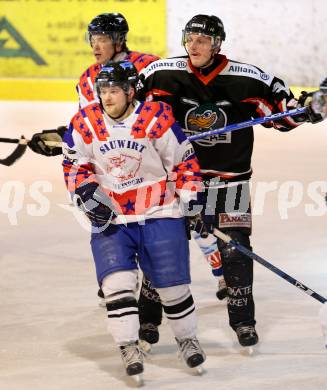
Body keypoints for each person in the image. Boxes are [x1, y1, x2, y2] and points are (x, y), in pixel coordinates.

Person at [27, 12, 227, 350]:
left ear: (119, 40)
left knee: (185, 215)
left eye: (101, 39)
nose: (95, 46)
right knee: (112, 218)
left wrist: (178, 129)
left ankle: (217, 265)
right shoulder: (88, 77)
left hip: (154, 157)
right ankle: (120, 279)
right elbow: (93, 123)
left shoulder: (149, 65)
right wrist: (64, 139)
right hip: (118, 169)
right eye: (92, 39)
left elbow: (169, 104)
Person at [138, 14, 325, 348]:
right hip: (177, 182)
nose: (194, 46)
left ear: (217, 44)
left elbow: (283, 113)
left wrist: (309, 108)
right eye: (190, 39)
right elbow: (125, 109)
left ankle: (243, 321)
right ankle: (147, 319)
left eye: (202, 40)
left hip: (230, 183)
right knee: (163, 247)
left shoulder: (247, 79)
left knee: (235, 250)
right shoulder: (161, 73)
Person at [62, 61, 206, 380]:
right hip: (113, 218)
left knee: (173, 287)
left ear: (129, 91)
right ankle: (128, 345)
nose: (107, 97)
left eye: (114, 90)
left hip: (158, 212)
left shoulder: (156, 117)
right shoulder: (85, 122)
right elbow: (74, 166)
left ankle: (187, 339)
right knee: (117, 286)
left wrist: (192, 201)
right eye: (103, 91)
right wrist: (88, 195)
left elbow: (184, 162)